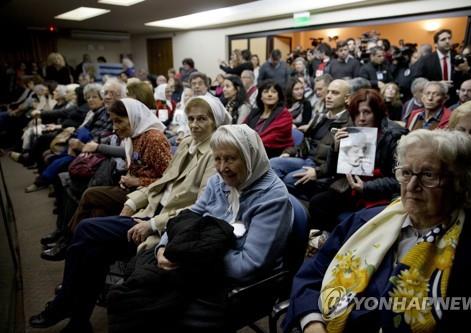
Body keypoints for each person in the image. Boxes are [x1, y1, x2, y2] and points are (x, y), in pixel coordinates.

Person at [28, 95, 231, 332]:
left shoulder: (215, 154)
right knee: (92, 249)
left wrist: (153, 223)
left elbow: (199, 208)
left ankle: (64, 303)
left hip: (165, 226)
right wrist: (133, 202)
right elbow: (162, 182)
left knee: (87, 229)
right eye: (192, 118)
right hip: (149, 210)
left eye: (202, 119)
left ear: (215, 121)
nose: (195, 124)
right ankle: (78, 321)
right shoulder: (188, 143)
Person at [283, 129, 471, 333]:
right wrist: (312, 322)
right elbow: (310, 276)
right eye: (405, 172)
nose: (412, 185)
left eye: (428, 175)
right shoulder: (366, 220)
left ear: (460, 183)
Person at [106, 124, 293, 331]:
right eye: (217, 159)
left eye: (231, 159)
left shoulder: (272, 198)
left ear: (250, 157)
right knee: (133, 294)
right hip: (200, 264)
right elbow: (189, 216)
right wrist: (163, 247)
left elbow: (247, 265)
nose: (222, 167)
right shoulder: (217, 182)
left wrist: (187, 257)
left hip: (239, 285)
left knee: (149, 309)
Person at [41, 98, 172, 261]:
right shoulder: (134, 136)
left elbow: (170, 180)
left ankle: (68, 242)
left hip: (148, 197)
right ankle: (78, 255)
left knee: (91, 195)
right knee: (97, 212)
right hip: (132, 191)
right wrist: (130, 178)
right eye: (113, 121)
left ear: (133, 118)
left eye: (119, 121)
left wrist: (139, 181)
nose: (115, 127)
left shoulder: (154, 139)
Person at [308, 89, 407, 232]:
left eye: (366, 112)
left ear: (377, 113)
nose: (361, 118)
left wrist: (366, 187)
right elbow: (333, 172)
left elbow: (399, 180)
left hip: (380, 193)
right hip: (351, 187)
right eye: (356, 113)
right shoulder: (353, 131)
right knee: (318, 202)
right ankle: (325, 240)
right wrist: (335, 148)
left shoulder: (393, 136)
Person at [245, 79, 294, 158]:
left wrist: (245, 144)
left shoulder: (284, 114)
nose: (270, 94)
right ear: (260, 97)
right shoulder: (254, 113)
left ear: (279, 96)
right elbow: (241, 130)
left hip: (273, 155)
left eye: (274, 92)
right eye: (266, 92)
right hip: (250, 152)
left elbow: (270, 139)